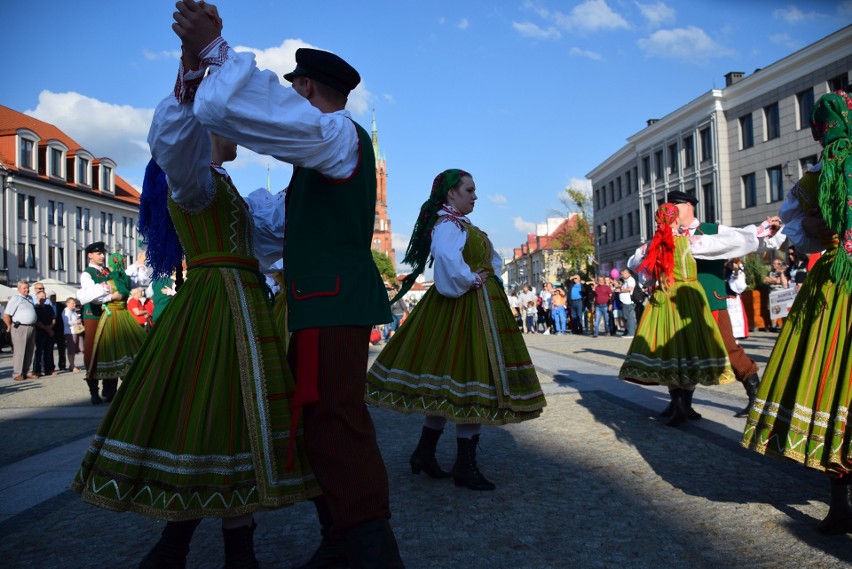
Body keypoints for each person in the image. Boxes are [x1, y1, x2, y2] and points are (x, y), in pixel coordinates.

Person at [74, 29, 319, 564]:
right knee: (205, 412)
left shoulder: (224, 187)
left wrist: (308, 171)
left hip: (239, 303)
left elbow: (269, 237)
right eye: (224, 125)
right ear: (205, 132)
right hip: (214, 304)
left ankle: (200, 548)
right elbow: (170, 142)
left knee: (230, 417)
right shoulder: (192, 180)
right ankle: (184, 546)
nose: (233, 132)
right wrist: (189, 76)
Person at [172, 4, 403, 565]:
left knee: (335, 417)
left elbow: (261, 116)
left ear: (307, 88)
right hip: (321, 300)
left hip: (331, 299)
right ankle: (349, 535)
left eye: (293, 85)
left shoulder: (336, 134)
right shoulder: (321, 152)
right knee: (323, 417)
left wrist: (215, 54)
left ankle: (366, 543)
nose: (288, 94)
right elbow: (269, 230)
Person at [365, 169, 546, 492]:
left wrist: (483, 273)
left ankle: (424, 452)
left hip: (473, 305)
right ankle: (464, 465)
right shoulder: (447, 225)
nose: (475, 196)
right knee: (469, 380)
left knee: (449, 389)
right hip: (463, 307)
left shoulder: (460, 225)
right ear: (452, 193)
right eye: (470, 190)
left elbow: (492, 261)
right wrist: (473, 279)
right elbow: (449, 263)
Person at [742, 91, 852, 535]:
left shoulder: (814, 178)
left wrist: (816, 225)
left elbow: (801, 236)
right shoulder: (814, 178)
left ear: (819, 131)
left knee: (830, 383)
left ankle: (841, 501)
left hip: (831, 288)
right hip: (835, 286)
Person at [654, 189, 783, 417]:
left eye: (676, 206)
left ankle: (757, 397)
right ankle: (681, 405)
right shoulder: (666, 234)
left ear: (689, 206)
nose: (672, 211)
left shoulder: (713, 231)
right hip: (679, 305)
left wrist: (766, 230)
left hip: (710, 301)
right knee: (681, 353)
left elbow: (744, 239)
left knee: (728, 348)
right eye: (669, 207)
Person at [620, 203, 735, 426]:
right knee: (692, 349)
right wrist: (759, 232)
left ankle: (680, 408)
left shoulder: (651, 247)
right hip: (689, 297)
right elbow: (725, 245)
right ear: (675, 220)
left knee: (670, 351)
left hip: (663, 299)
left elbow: (639, 271)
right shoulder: (691, 242)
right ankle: (685, 407)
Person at [81, 253, 147, 402]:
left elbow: (89, 297)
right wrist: (138, 265)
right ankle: (119, 389)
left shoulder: (109, 283)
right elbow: (141, 285)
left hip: (110, 317)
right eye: (99, 253)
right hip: (125, 316)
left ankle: (107, 391)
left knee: (109, 352)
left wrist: (109, 297)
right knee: (126, 350)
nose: (102, 257)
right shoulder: (126, 279)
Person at [3, 281, 38, 381]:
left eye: (27, 288)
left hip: (31, 327)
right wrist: (9, 326)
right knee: (20, 351)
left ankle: (28, 372)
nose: (27, 290)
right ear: (19, 289)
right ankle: (17, 373)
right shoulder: (16, 298)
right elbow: (6, 315)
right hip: (20, 327)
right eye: (24, 288)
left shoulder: (30, 298)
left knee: (31, 350)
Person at [33, 291, 57, 376]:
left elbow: (53, 318)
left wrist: (50, 327)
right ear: (37, 298)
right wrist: (47, 329)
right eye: (41, 297)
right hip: (40, 332)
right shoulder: (35, 308)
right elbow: (37, 321)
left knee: (48, 351)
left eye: (44, 297)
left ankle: (48, 369)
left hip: (49, 332)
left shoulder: (49, 307)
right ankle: (37, 371)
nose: (43, 298)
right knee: (39, 352)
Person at [62, 298, 84, 372]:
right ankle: (72, 366)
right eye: (73, 303)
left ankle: (72, 365)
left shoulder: (73, 311)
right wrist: (76, 322)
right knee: (71, 350)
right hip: (70, 332)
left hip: (75, 331)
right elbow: (67, 322)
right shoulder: (66, 311)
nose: (74, 305)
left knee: (74, 349)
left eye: (74, 303)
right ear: (67, 303)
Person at [49, 292, 67, 371]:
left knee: (62, 348)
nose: (54, 298)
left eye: (55, 297)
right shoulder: (47, 306)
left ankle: (62, 365)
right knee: (50, 348)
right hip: (51, 328)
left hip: (60, 329)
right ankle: (51, 366)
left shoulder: (60, 305)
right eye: (52, 297)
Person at [619, 268, 637, 338]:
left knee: (629, 317)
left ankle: (631, 333)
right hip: (625, 301)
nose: (622, 275)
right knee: (627, 317)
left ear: (627, 273)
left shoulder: (630, 280)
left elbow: (630, 288)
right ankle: (631, 332)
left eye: (622, 274)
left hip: (628, 301)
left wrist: (621, 290)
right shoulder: (626, 281)